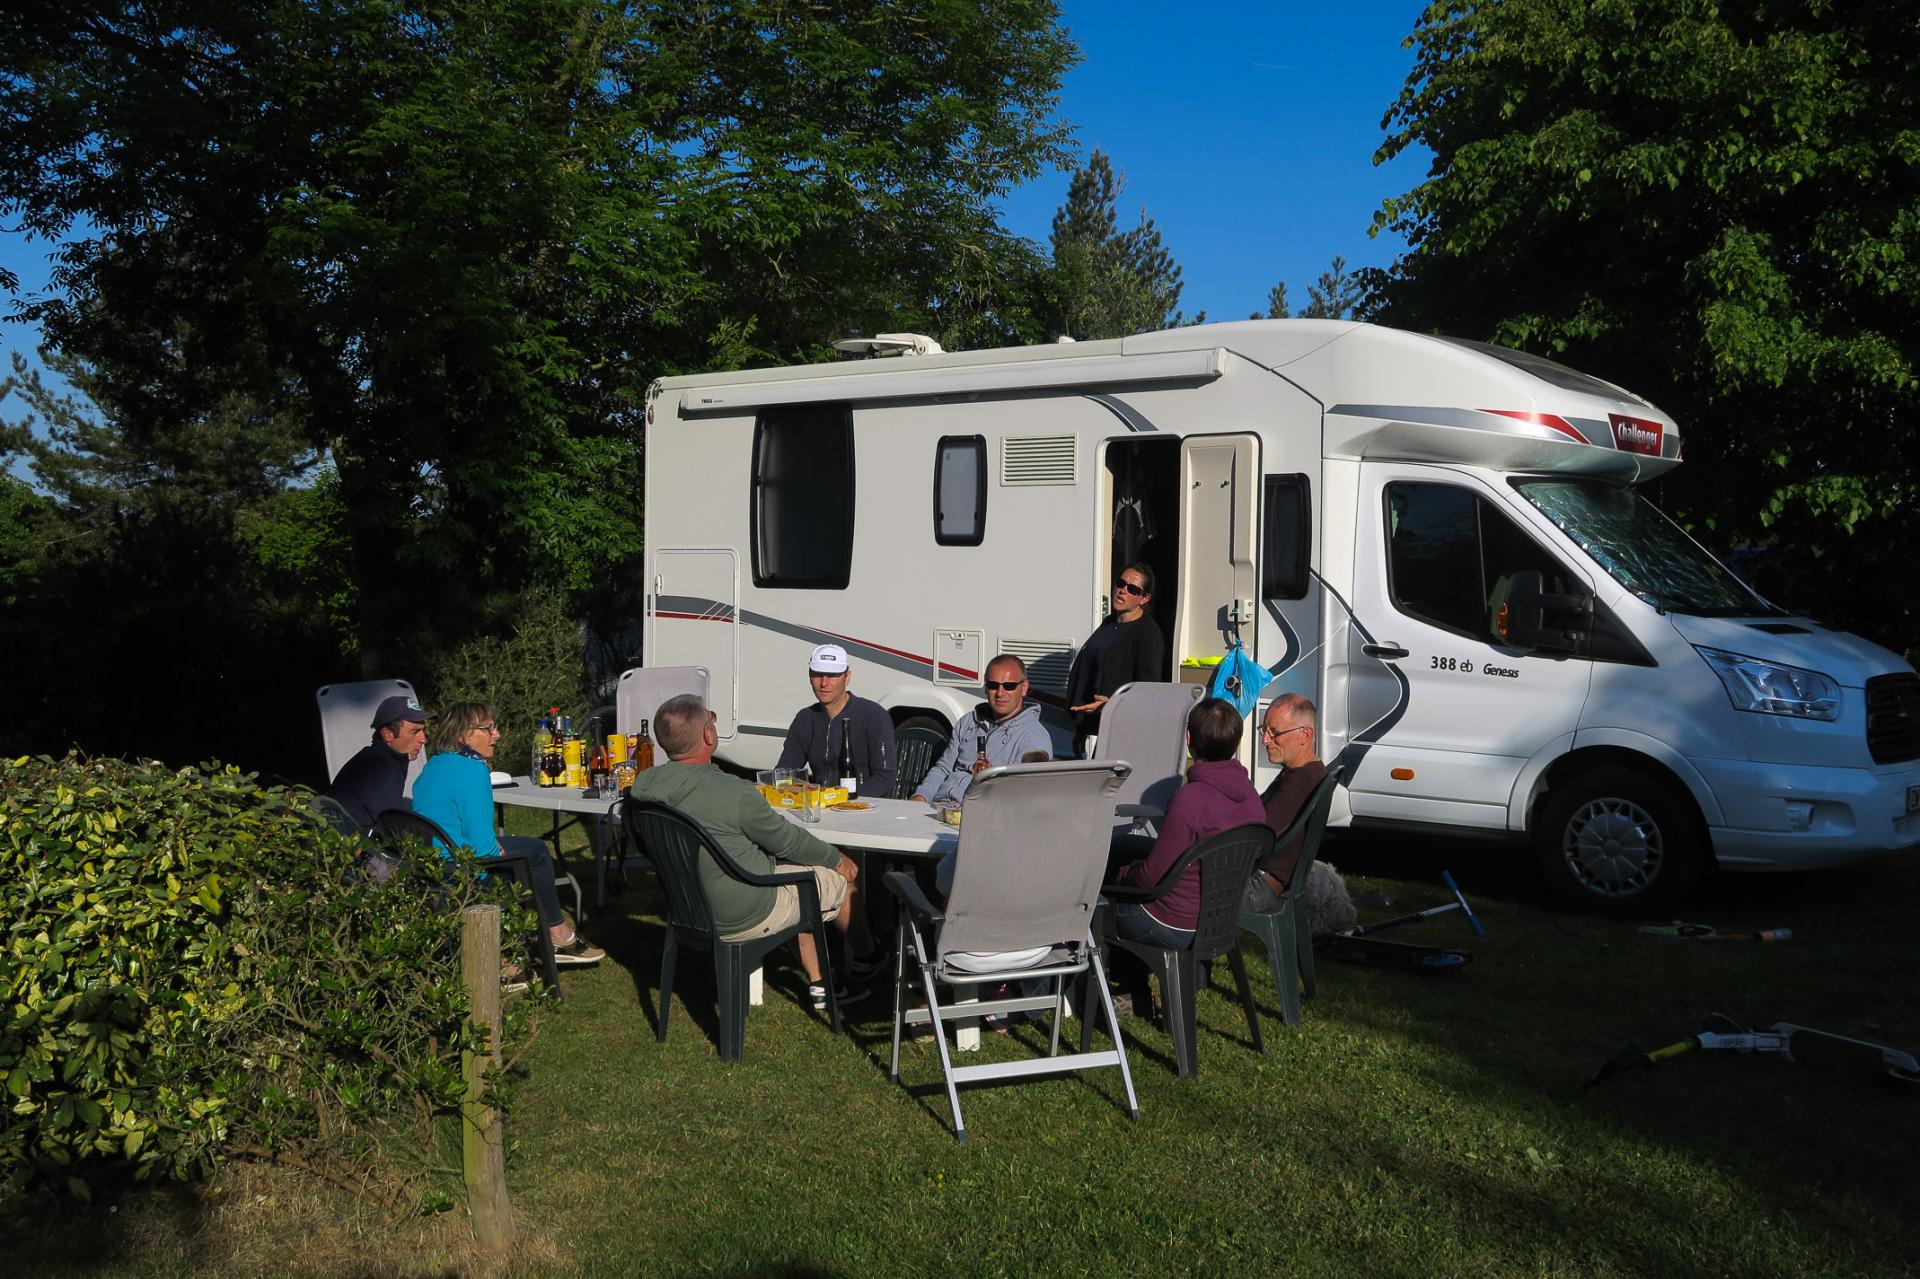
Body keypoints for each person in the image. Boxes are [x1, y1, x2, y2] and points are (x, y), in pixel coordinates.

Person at [630, 694, 874, 1008]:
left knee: (794, 875)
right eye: (712, 720)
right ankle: (869, 959)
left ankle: (821, 983)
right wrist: (837, 859)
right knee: (835, 878)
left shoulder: (645, 784)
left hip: (685, 907)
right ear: (708, 735)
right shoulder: (734, 792)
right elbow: (787, 840)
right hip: (742, 911)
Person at [411, 701, 605, 965]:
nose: (497, 735)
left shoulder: (433, 766)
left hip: (434, 866)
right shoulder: (471, 770)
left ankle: (549, 935)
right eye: (488, 728)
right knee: (535, 855)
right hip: (465, 871)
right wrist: (495, 851)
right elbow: (481, 848)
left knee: (533, 847)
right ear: (464, 735)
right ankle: (555, 935)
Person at [1108, 698, 1266, 948]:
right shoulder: (1250, 795)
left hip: (1173, 921)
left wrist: (1124, 874)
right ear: (1235, 742)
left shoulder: (1191, 800)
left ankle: (1129, 982)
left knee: (1103, 904)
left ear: (1189, 739)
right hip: (1219, 918)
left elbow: (1150, 878)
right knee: (1124, 844)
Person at [911, 655, 1053, 806]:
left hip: (981, 816)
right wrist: (921, 796)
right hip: (939, 808)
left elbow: (1028, 795)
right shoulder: (968, 722)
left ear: (1024, 688)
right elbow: (943, 769)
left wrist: (991, 781)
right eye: (993, 685)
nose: (1000, 693)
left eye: (1009, 686)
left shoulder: (1034, 738)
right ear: (985, 687)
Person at [1067, 562, 1167, 752]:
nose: (1122, 591)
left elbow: (1148, 690)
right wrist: (1081, 728)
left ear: (1144, 598)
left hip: (1125, 730)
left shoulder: (1148, 634)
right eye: (1120, 583)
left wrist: (1112, 704)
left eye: (1133, 589)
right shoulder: (1109, 622)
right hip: (1098, 724)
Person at [1245, 693, 1330, 913]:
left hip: (1258, 887)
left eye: (1275, 733)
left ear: (1305, 734)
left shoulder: (1300, 781)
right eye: (1264, 731)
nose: (1265, 740)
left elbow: (1254, 841)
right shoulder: (1310, 772)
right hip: (1267, 884)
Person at [775, 643, 897, 797]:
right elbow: (785, 772)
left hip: (864, 807)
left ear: (847, 678)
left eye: (832, 675)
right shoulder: (805, 718)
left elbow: (885, 777)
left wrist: (843, 800)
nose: (824, 683)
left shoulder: (874, 716)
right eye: (817, 674)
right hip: (820, 808)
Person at [325, 694, 431, 833]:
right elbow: (392, 828)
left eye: (423, 731)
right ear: (387, 734)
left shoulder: (376, 758)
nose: (423, 739)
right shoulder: (381, 766)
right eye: (414, 731)